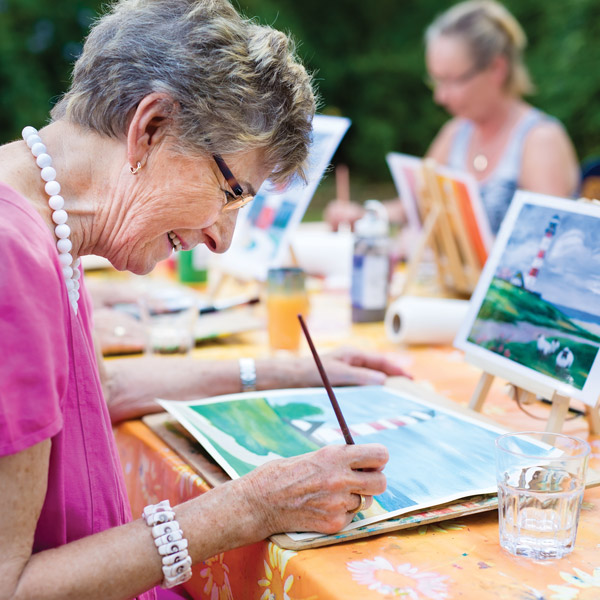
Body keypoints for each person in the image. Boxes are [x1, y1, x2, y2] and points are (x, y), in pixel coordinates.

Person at [0, 2, 392, 598]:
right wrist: (249, 507)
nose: (220, 238)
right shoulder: (11, 257)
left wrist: (280, 373)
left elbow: (93, 396)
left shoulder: (42, 218)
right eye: (230, 193)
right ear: (150, 127)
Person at [325, 0, 579, 235]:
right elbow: (415, 205)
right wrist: (366, 215)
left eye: (451, 80)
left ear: (496, 69)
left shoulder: (540, 139)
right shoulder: (456, 133)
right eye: (435, 80)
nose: (440, 97)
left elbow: (549, 238)